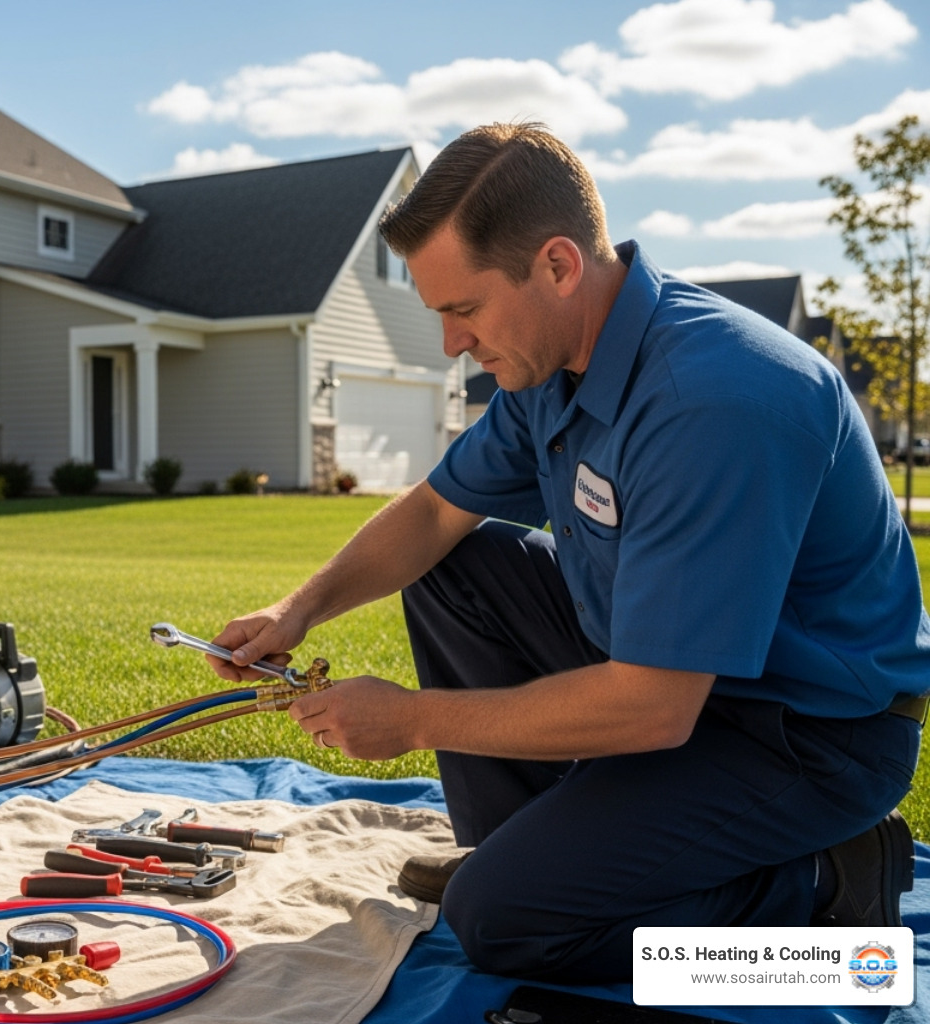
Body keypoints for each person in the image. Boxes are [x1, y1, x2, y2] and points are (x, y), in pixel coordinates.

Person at [208, 122, 930, 983]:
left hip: (808, 737)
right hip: (678, 680)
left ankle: (821, 891)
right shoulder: (549, 365)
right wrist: (299, 609)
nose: (451, 344)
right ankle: (530, 852)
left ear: (557, 265)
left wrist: (410, 721)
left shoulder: (714, 402)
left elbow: (654, 709)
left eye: (463, 309)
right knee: (461, 568)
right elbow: (437, 513)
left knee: (506, 926)